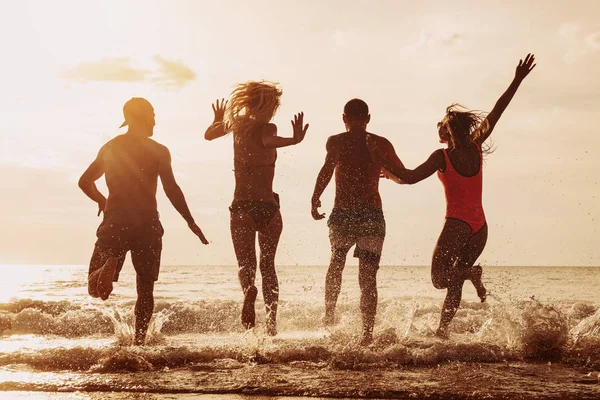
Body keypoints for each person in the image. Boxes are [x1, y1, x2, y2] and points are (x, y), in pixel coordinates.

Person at [367, 53, 536, 338]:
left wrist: (379, 160)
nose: (438, 132)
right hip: (480, 227)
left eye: (440, 128)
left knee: (439, 279)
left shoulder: (442, 156)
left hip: (457, 224)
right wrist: (517, 79)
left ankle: (471, 276)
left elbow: (408, 177)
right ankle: (442, 331)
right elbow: (497, 110)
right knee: (455, 280)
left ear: (447, 130)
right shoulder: (476, 146)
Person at [79, 97, 209, 345]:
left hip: (115, 220)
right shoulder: (159, 151)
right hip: (147, 223)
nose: (155, 121)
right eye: (152, 115)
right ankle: (139, 342)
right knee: (145, 289)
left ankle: (108, 265)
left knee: (95, 290)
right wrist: (190, 221)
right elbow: (171, 189)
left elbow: (85, 181)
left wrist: (102, 201)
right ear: (143, 118)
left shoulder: (110, 148)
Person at [204, 81, 308, 336]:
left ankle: (248, 289)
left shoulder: (237, 126)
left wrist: (218, 119)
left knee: (246, 264)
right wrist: (293, 140)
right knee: (268, 265)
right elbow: (269, 140)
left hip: (242, 207)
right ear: (269, 106)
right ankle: (272, 324)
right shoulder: (267, 128)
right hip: (269, 208)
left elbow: (208, 135)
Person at [311, 98, 404, 346]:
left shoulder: (337, 141)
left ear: (344, 118)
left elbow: (327, 169)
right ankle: (366, 335)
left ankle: (329, 317)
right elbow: (403, 176)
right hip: (372, 214)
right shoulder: (381, 144)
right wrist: (387, 172)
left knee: (336, 263)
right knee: (368, 277)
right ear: (368, 118)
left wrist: (315, 197)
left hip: (343, 213)